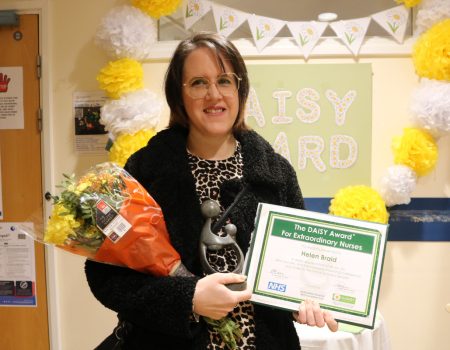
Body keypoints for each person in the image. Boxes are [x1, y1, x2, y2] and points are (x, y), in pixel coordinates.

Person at [85, 32, 338, 350]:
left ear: (240, 90)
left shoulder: (276, 174)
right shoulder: (145, 171)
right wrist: (187, 299)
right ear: (179, 96)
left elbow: (296, 267)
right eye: (198, 83)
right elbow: (106, 277)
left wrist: (305, 301)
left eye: (224, 80)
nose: (213, 94)